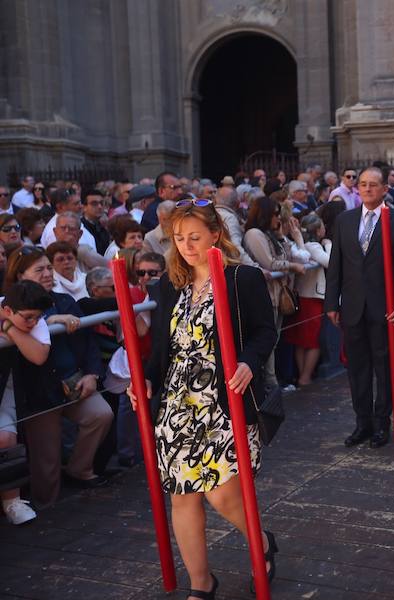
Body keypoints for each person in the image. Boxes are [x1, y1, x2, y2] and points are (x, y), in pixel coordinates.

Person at [129, 199, 278, 598]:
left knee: (223, 494)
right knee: (182, 496)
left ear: (216, 234)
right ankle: (201, 583)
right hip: (178, 403)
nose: (187, 246)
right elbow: (162, 347)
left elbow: (266, 331)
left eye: (195, 237)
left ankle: (261, 541)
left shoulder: (241, 278)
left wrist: (248, 362)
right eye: (179, 239)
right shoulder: (168, 284)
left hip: (225, 399)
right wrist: (143, 379)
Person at [5, 246, 113, 506]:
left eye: (48, 268)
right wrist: (49, 321)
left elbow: (88, 343)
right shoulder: (9, 309)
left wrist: (92, 375)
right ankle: (47, 511)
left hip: (72, 382)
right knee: (47, 462)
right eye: (39, 269)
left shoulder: (65, 301)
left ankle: (79, 469)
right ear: (20, 275)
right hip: (38, 393)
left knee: (101, 414)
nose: (46, 273)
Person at [324, 167, 394, 449]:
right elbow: (336, 264)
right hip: (352, 307)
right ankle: (361, 422)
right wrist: (331, 302)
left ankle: (381, 423)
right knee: (357, 369)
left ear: (384, 189)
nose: (366, 189)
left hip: (384, 308)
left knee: (383, 367)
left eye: (373, 185)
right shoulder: (345, 220)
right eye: (362, 184)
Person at [0, 280, 53, 524]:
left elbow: (39, 355)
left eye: (37, 318)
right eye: (28, 318)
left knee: (6, 438)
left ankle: (11, 502)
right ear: (8, 308)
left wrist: (10, 328)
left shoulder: (30, 318)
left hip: (5, 385)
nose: (33, 323)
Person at [287, 213, 331, 386]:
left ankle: (303, 375)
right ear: (317, 230)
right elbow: (329, 261)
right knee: (313, 340)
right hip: (311, 298)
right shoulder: (313, 246)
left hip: (303, 296)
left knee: (301, 339)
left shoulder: (302, 245)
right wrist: (329, 245)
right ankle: (305, 376)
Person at [81, 189, 111, 255]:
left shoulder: (103, 227)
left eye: (101, 203)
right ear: (84, 207)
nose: (99, 207)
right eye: (94, 204)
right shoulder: (81, 227)